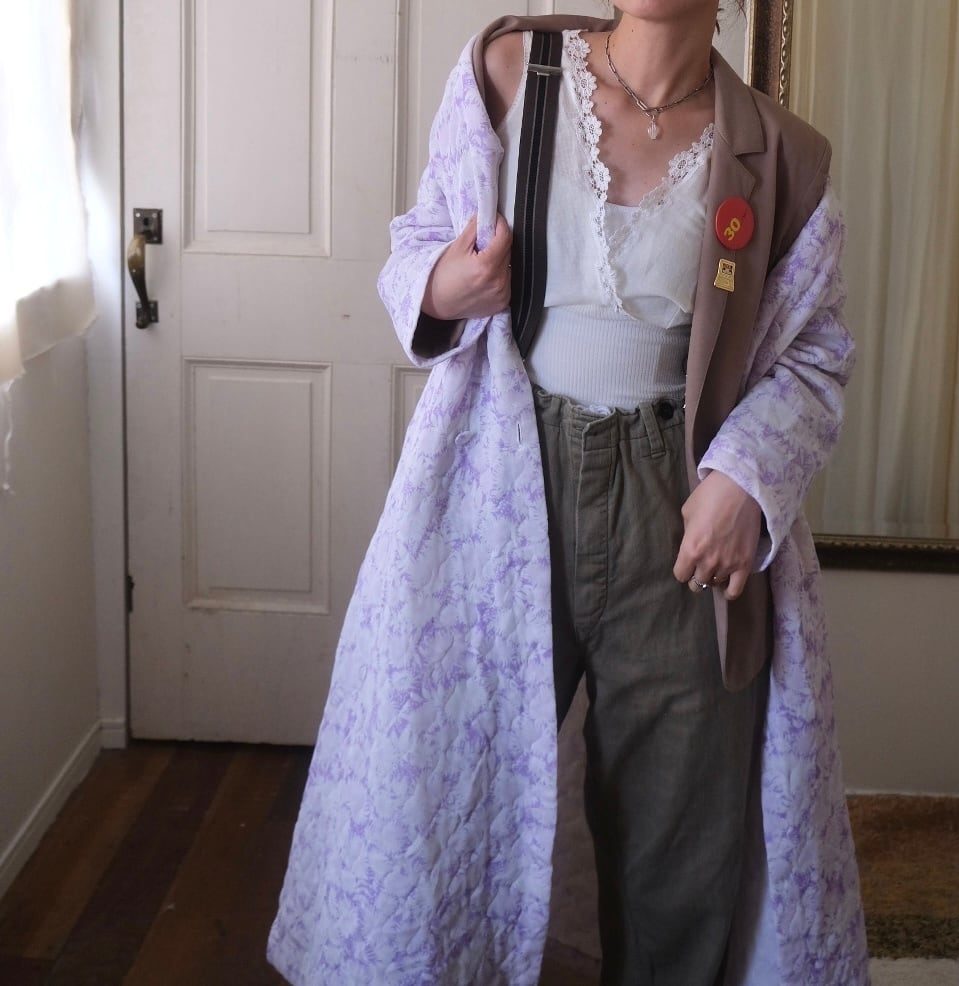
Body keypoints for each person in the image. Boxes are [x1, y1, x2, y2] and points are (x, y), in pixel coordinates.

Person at [268, 3, 869, 984]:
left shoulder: (781, 152)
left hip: (682, 512)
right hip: (499, 481)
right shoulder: (511, 70)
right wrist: (442, 285)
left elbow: (813, 354)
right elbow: (419, 238)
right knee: (445, 790)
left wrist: (745, 477)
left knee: (677, 841)